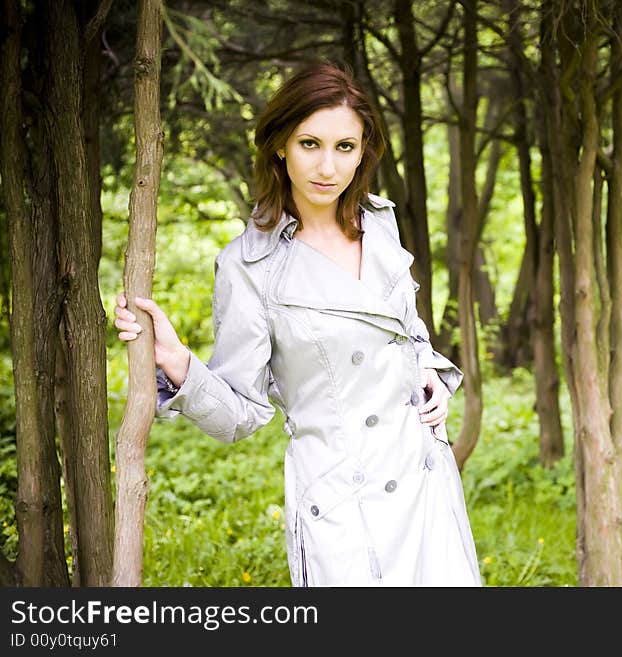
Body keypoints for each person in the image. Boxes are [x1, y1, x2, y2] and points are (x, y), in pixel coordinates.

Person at [113, 60, 482, 587]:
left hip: (424, 480)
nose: (327, 167)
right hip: (339, 503)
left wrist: (429, 377)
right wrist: (176, 360)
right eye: (310, 143)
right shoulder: (249, 265)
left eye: (345, 148)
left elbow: (406, 328)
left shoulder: (380, 222)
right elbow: (240, 412)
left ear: (363, 153)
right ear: (280, 143)